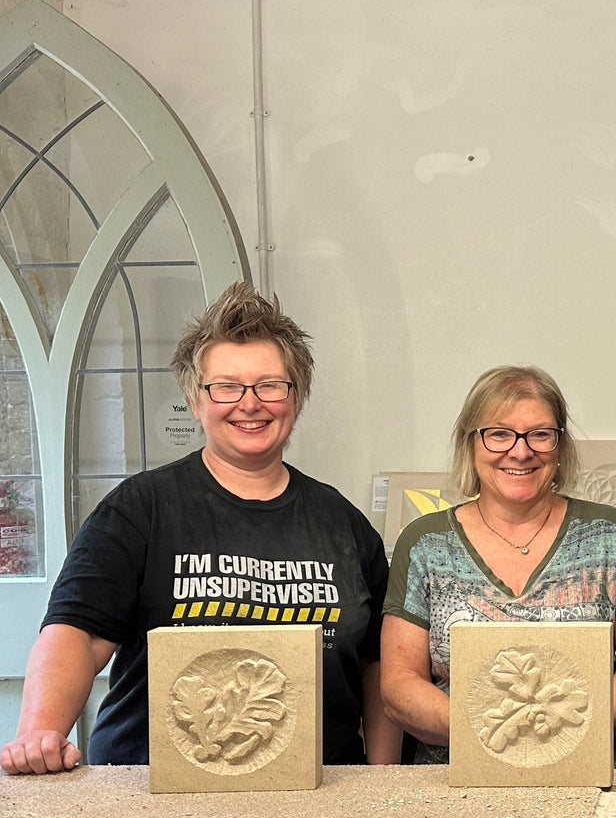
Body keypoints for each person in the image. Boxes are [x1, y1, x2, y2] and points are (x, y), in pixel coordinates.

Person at [1, 281, 400, 774]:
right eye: (226, 386)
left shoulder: (344, 524)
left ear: (296, 398)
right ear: (196, 400)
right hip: (151, 789)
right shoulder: (139, 509)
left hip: (315, 790)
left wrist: (383, 779)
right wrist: (40, 732)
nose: (249, 403)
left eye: (270, 385)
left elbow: (379, 664)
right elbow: (77, 634)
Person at [380, 366, 616, 767]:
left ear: (560, 445)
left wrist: (569, 730)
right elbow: (398, 685)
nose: (520, 450)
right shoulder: (425, 545)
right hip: (458, 784)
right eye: (499, 433)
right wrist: (499, 732)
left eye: (540, 434)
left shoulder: (609, 534)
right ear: (471, 443)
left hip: (596, 774)